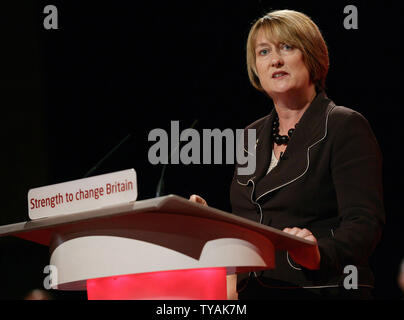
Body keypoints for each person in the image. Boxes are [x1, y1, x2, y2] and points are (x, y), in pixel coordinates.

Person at [190, 9, 385, 299]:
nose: (275, 60)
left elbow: (364, 223)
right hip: (249, 293)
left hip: (319, 288)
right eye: (264, 51)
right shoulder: (249, 137)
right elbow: (251, 218)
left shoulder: (344, 125)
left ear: (312, 55)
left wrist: (318, 253)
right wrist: (209, 221)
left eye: (287, 47)